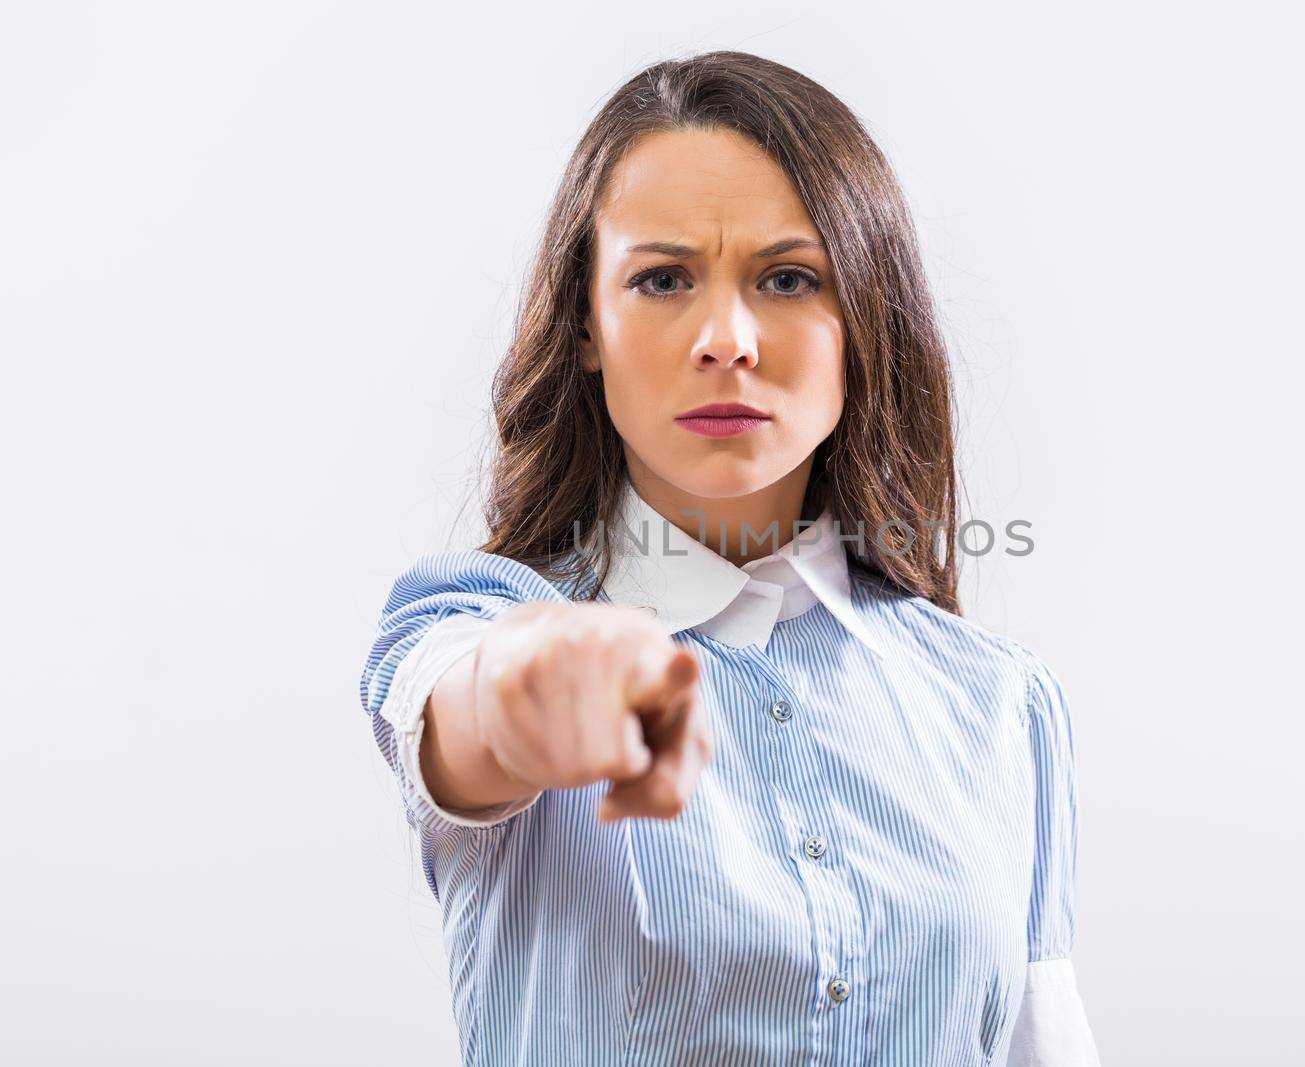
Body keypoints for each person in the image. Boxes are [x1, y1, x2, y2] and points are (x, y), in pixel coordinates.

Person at [359, 50, 1101, 1066]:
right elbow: (460, 702)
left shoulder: (999, 702)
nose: (726, 337)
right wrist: (524, 685)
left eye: (788, 277)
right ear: (588, 325)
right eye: (662, 279)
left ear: (863, 323)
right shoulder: (483, 618)